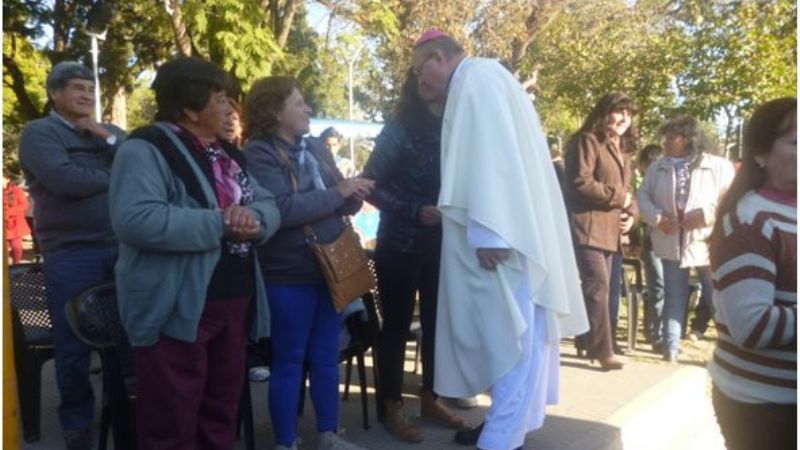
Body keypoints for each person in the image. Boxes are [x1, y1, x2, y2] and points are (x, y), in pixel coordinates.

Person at [410, 30, 589, 450]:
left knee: (506, 334)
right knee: (514, 332)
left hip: (498, 239)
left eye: (421, 71)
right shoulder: (487, 77)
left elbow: (492, 158)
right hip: (508, 231)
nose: (421, 82)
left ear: (439, 58)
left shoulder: (476, 81)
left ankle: (500, 438)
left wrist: (490, 231)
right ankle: (509, 427)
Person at [109, 57, 280, 450]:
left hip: (231, 301)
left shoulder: (226, 155)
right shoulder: (144, 149)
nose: (229, 108)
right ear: (188, 107)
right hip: (177, 305)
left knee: (219, 413)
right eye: (219, 99)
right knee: (172, 419)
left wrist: (254, 221)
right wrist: (222, 222)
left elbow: (268, 204)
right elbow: (136, 220)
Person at [242, 76, 374, 450]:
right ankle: (287, 441)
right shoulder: (258, 154)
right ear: (274, 111)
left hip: (331, 268)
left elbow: (338, 199)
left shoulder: (315, 147)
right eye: (299, 103)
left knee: (326, 356)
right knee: (289, 360)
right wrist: (338, 193)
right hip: (288, 273)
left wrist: (353, 193)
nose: (307, 109)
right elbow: (282, 209)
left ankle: (329, 435)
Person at [18, 60, 126, 450]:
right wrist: (116, 176)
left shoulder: (108, 132)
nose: (87, 95)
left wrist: (107, 139)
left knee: (128, 336)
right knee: (73, 343)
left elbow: (141, 162)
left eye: (91, 89)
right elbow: (65, 180)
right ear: (55, 94)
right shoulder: (39, 133)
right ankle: (77, 421)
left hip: (121, 247)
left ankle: (124, 412)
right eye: (78, 88)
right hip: (71, 252)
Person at [361, 70, 466, 443]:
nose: (429, 75)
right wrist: (413, 209)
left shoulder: (457, 125)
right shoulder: (399, 127)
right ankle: (391, 405)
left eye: (439, 69)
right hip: (400, 244)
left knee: (439, 324)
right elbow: (370, 184)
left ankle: (430, 398)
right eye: (422, 71)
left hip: (443, 244)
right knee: (396, 328)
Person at [708, 97, 796, 450]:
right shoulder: (750, 219)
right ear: (761, 154)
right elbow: (752, 324)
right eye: (796, 141)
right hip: (765, 407)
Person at [637, 115, 735, 361]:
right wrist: (659, 219)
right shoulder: (658, 167)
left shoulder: (717, 166)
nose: (667, 142)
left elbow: (730, 198)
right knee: (674, 294)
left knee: (716, 296)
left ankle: (731, 345)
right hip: (670, 240)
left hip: (707, 241)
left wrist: (706, 215)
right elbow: (643, 198)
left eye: (673, 137)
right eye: (666, 137)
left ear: (689, 138)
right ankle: (670, 347)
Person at [563, 92, 639, 370]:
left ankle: (586, 341)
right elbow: (578, 183)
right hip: (587, 227)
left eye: (628, 114)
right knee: (598, 287)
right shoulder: (586, 141)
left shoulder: (623, 149)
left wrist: (631, 215)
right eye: (618, 112)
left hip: (611, 233)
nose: (623, 119)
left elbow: (629, 193)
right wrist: (621, 199)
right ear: (604, 112)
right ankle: (603, 350)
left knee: (602, 289)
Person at [635, 144, 665, 344]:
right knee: (657, 285)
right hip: (649, 239)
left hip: (668, 239)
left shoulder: (665, 184)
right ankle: (656, 332)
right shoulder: (641, 186)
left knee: (663, 286)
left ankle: (657, 329)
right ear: (644, 166)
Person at [4, 173, 31, 264]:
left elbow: (25, 205)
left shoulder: (17, 190)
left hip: (15, 225)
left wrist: (9, 212)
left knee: (17, 248)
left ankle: (16, 268)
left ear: (7, 179)